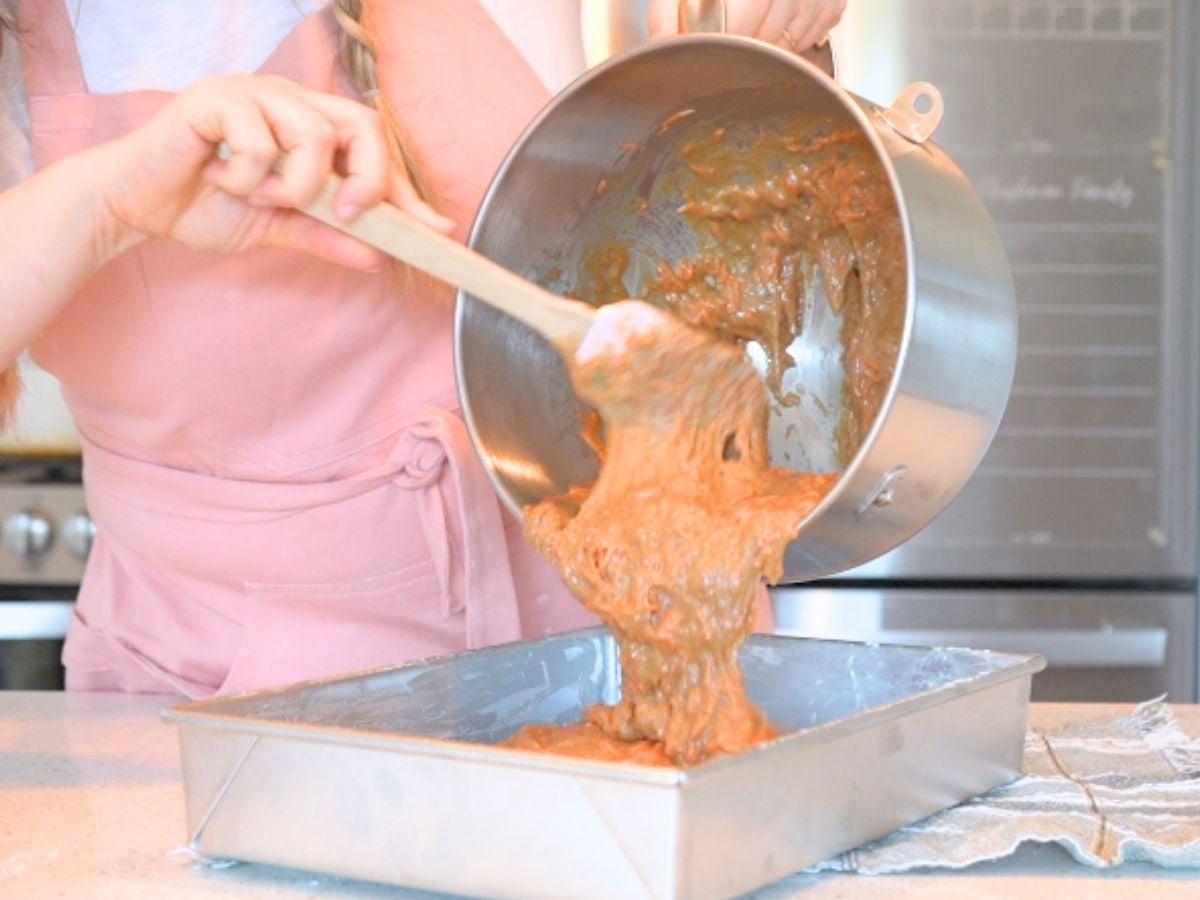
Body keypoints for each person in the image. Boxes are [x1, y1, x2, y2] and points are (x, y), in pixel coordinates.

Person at [0, 0, 847, 698]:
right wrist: (108, 199)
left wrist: (788, 40)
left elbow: (717, 196)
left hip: (636, 641)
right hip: (231, 716)